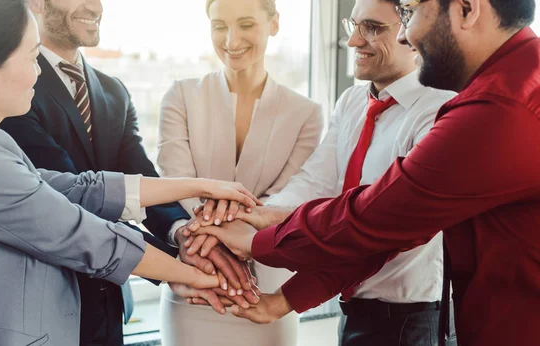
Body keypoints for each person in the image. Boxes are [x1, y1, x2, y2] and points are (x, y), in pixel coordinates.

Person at [191, 0, 540, 345]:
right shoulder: (512, 86)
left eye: (409, 13)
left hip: (421, 320)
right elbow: (325, 188)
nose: (407, 35)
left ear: (467, 9)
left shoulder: (494, 108)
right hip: (359, 306)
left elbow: (383, 219)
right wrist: (257, 217)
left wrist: (258, 242)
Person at [0, 1, 261, 345]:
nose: (35, 71)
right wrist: (196, 275)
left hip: (96, 308)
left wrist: (202, 188)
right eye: (31, 58)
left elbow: (80, 189)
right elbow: (79, 231)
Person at [156, 0, 323, 344]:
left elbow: (288, 195)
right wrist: (214, 232)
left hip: (264, 289)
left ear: (273, 24)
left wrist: (219, 227)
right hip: (196, 281)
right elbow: (175, 182)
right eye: (219, 26)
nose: (231, 39)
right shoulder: (180, 95)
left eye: (246, 24)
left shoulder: (306, 113)